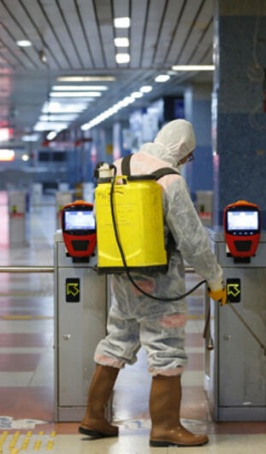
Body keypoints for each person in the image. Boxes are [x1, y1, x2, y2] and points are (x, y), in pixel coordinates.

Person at [79, 119, 227, 447]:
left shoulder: (116, 167)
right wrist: (215, 278)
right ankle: (166, 428)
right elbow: (191, 239)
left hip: (122, 273)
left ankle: (93, 417)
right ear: (183, 153)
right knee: (166, 349)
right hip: (161, 282)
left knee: (118, 340)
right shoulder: (169, 179)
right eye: (187, 158)